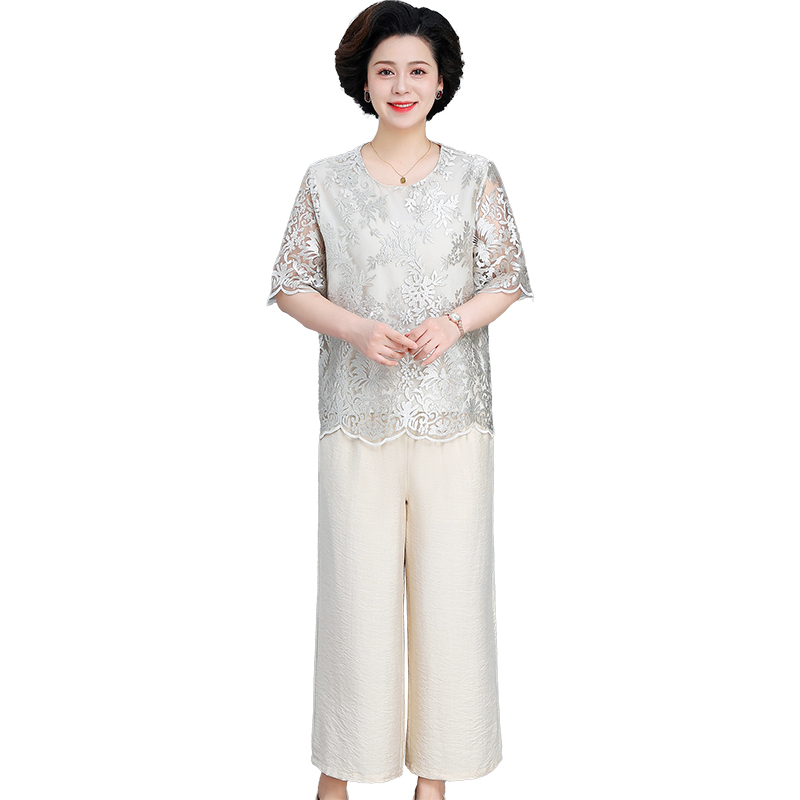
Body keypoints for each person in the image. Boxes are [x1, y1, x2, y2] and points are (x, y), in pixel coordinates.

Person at [267, 3, 533, 799]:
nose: (402, 85)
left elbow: (508, 277)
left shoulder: (476, 176)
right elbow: (290, 284)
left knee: (453, 598)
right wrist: (355, 329)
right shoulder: (326, 179)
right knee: (356, 599)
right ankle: (339, 774)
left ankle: (435, 780)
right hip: (358, 418)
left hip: (455, 418)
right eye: (386, 71)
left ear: (442, 81)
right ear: (363, 81)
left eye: (418, 70)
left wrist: (455, 323)